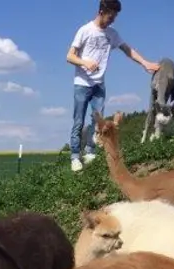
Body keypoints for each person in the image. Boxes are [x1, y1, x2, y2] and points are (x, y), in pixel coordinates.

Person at [65, 0, 162, 173]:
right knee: (78, 121)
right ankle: (74, 157)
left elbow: (127, 50)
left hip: (99, 85)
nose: (113, 19)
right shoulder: (85, 30)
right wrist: (84, 62)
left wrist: (145, 63)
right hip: (82, 84)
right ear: (102, 11)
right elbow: (70, 56)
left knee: (98, 121)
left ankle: (90, 151)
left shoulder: (112, 34)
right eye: (112, 15)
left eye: (116, 16)